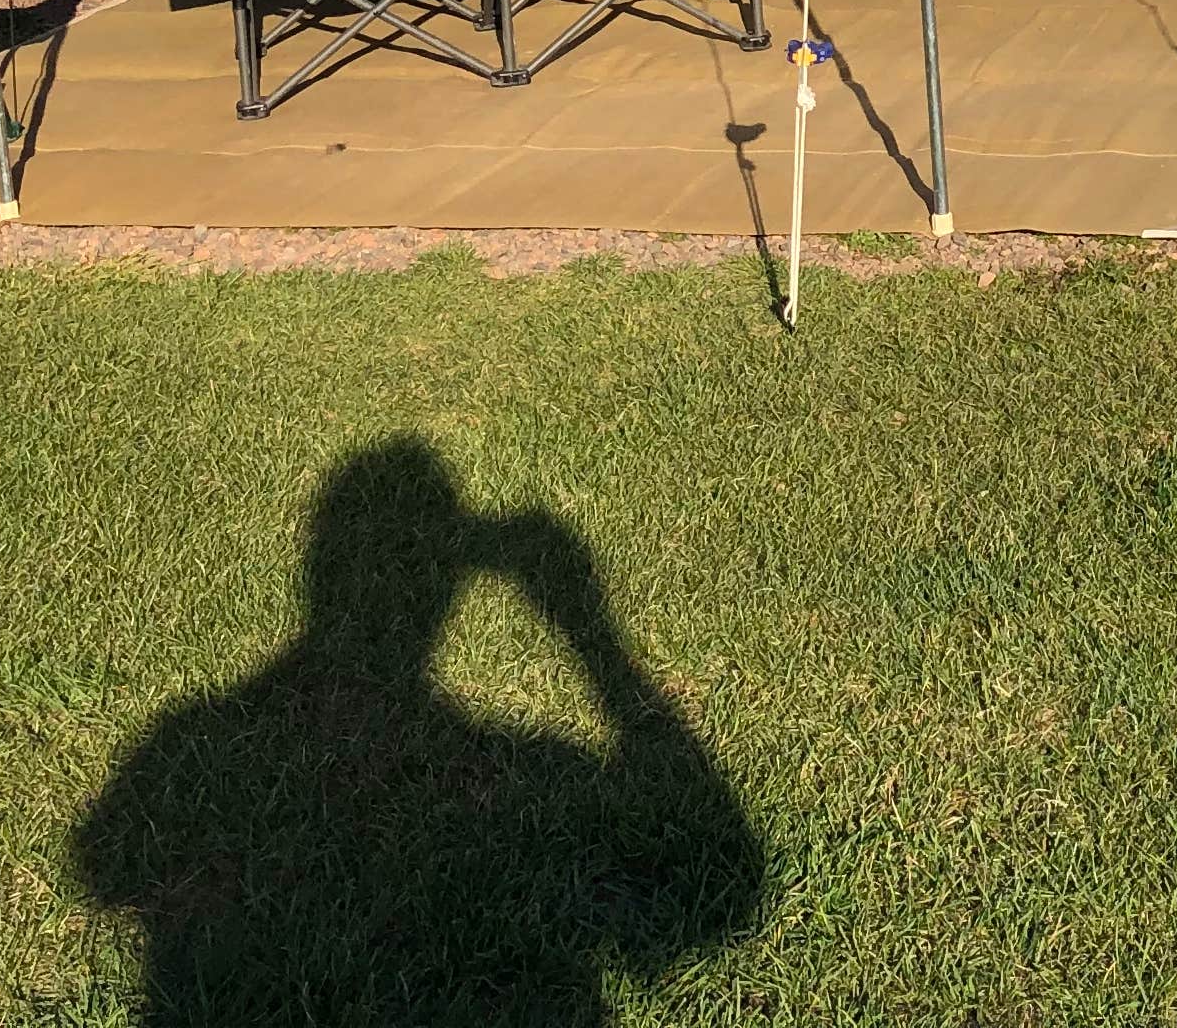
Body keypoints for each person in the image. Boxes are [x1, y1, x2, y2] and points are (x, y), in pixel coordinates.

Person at [77, 439, 764, 1024]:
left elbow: (106, 865)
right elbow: (724, 899)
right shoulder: (546, 769)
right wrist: (591, 639)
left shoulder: (190, 739)